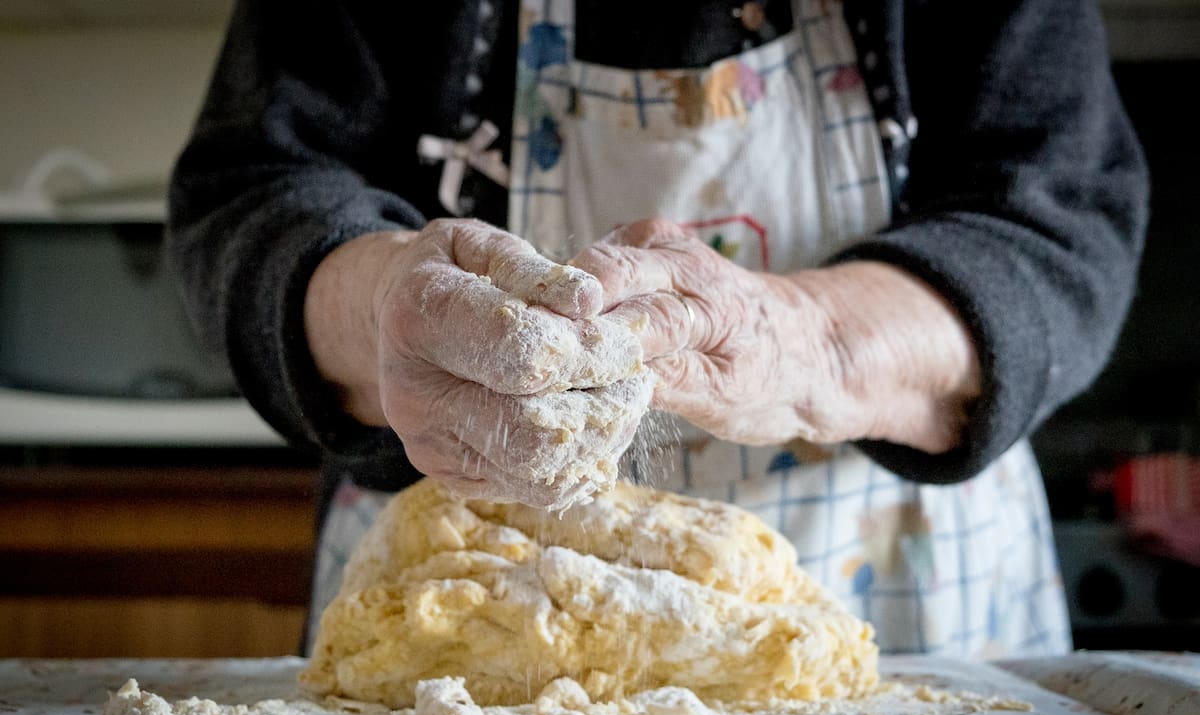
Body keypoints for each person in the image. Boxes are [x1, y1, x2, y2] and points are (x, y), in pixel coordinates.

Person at [169, 0, 1148, 658]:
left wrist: (813, 341)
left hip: (898, 585)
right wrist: (382, 300)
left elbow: (1061, 220)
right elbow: (247, 195)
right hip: (465, 592)